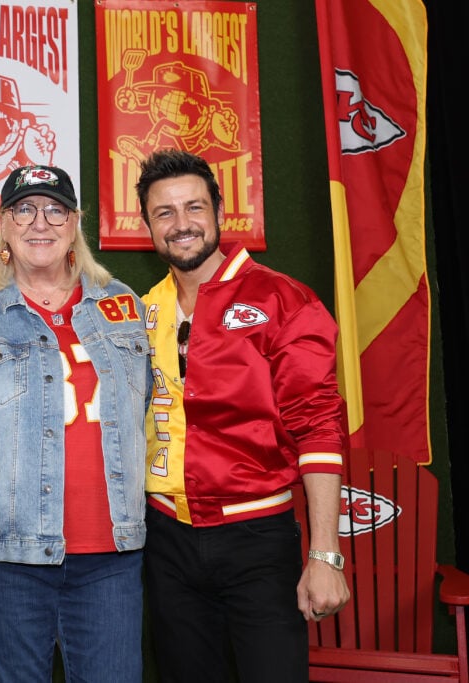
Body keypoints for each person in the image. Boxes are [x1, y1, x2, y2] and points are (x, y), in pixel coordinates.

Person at [0, 165, 151, 683]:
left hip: (111, 558)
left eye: (54, 209)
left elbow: (151, 418)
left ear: (75, 224)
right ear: (3, 224)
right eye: (24, 209)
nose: (39, 222)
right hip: (5, 562)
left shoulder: (124, 306)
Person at [135, 149, 352, 683]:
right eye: (164, 213)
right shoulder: (139, 312)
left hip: (257, 539)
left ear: (220, 210)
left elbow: (320, 427)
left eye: (194, 207)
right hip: (165, 540)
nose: (181, 224)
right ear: (146, 224)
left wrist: (325, 554)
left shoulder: (283, 300)